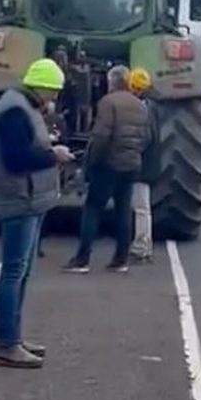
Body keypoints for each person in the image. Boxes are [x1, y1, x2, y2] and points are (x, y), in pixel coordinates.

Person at [0, 58, 73, 369]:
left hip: (31, 199)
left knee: (21, 272)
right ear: (39, 86)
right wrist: (53, 155)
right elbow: (16, 158)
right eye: (52, 91)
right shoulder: (14, 110)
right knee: (13, 272)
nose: (54, 97)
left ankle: (15, 339)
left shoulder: (24, 107)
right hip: (19, 199)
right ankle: (7, 344)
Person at [63, 65, 148, 274]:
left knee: (92, 208)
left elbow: (101, 137)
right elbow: (146, 137)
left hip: (109, 165)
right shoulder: (140, 105)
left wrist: (90, 164)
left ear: (111, 83)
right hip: (131, 165)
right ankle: (121, 259)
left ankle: (82, 259)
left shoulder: (108, 103)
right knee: (123, 211)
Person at [128, 68, 159, 264]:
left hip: (141, 164)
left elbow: (145, 137)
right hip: (147, 163)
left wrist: (130, 150)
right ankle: (143, 246)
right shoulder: (152, 106)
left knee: (141, 207)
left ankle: (141, 247)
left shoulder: (143, 108)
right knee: (142, 207)